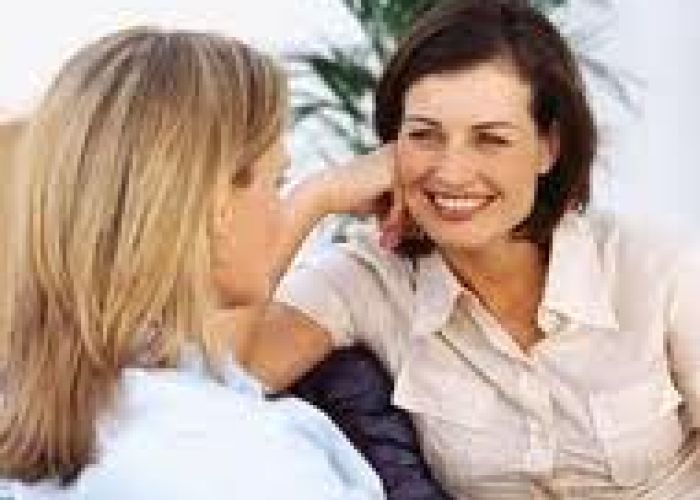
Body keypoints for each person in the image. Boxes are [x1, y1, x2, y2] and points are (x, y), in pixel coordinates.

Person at [244, 0, 700, 498]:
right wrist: (316, 197)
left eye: (491, 140)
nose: (452, 172)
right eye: (424, 136)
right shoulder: (368, 280)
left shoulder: (658, 269)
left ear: (548, 147)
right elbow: (215, 380)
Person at [0, 27, 385, 499]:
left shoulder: (57, 415)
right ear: (218, 206)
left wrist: (319, 197)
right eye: (276, 183)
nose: (280, 210)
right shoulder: (240, 459)